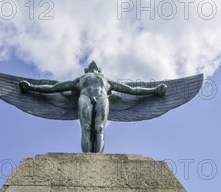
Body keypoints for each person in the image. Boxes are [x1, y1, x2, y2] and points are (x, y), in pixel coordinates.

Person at [20, 61, 167, 153]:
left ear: (100, 70)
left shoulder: (106, 80)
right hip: (84, 96)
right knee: (86, 128)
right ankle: (87, 158)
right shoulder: (79, 80)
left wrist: (154, 90)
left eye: (95, 66)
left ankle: (97, 158)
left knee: (99, 129)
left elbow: (130, 90)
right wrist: (31, 87)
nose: (93, 63)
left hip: (103, 96)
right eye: (90, 66)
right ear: (85, 70)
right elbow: (54, 88)